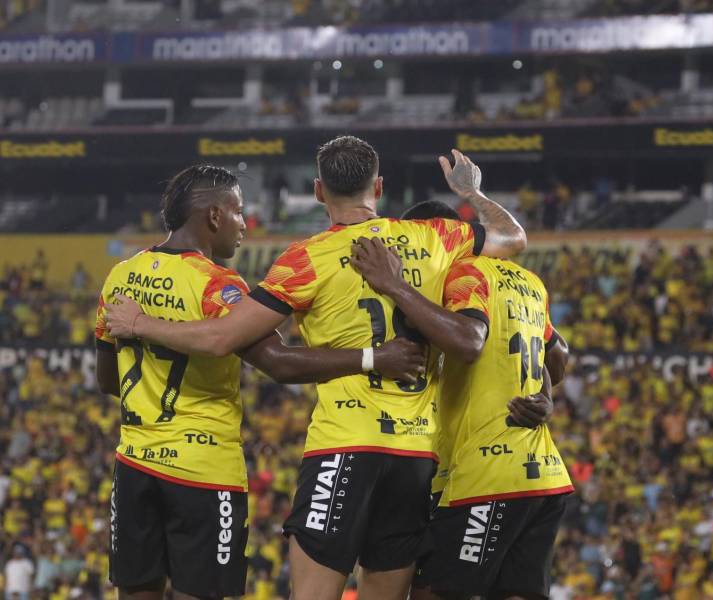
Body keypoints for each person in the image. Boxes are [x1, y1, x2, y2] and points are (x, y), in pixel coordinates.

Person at [103, 138, 527, 600]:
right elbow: (514, 237)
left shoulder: (306, 259)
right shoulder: (436, 237)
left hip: (341, 444)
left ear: (319, 191)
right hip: (416, 454)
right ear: (379, 187)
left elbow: (229, 340)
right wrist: (473, 193)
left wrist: (141, 323)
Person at [350, 199, 573, 600]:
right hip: (543, 474)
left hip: (488, 476)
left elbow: (469, 342)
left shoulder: (465, 274)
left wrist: (395, 285)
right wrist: (546, 395)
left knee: (433, 591)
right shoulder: (528, 281)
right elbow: (557, 358)